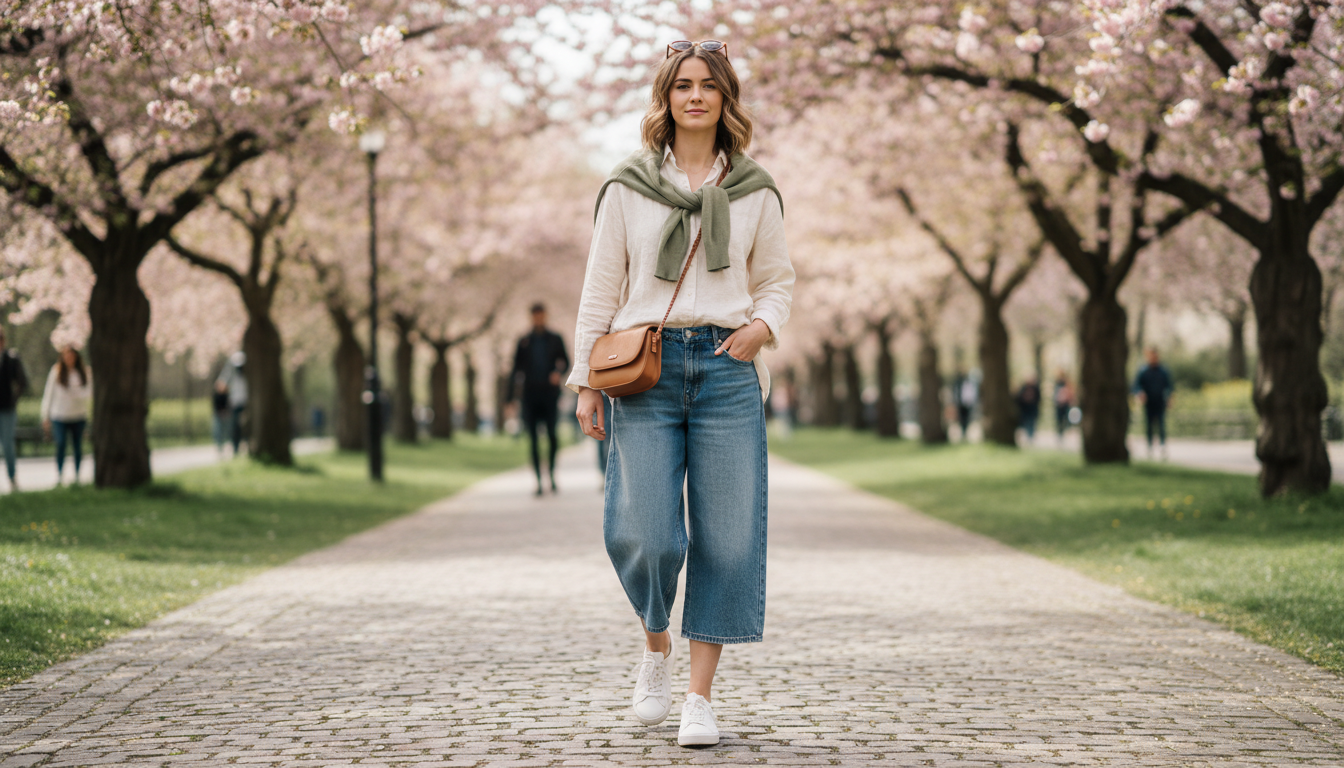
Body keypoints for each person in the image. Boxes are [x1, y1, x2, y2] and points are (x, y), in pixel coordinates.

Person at [569, 39, 794, 748]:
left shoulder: (755, 189)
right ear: (665, 99)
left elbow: (778, 280)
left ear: (726, 99)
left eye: (708, 85)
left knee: (728, 537)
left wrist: (761, 327)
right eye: (682, 85)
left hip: (727, 369)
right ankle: (655, 644)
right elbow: (601, 289)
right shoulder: (629, 186)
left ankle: (699, 697)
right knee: (647, 532)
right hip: (646, 372)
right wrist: (583, 381)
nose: (695, 96)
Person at [512, 303, 571, 496]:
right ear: (531, 317)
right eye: (535, 315)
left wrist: (558, 372)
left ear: (545, 315)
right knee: (533, 439)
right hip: (529, 396)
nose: (538, 318)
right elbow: (515, 370)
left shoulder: (555, 339)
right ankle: (538, 480)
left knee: (553, 436)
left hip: (550, 395)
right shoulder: (523, 341)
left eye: (541, 315)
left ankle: (552, 476)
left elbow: (566, 361)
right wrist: (510, 398)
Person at [40, 346, 92, 485]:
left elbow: (89, 392)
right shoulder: (56, 371)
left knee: (77, 446)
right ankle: (59, 473)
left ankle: (77, 476)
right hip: (59, 415)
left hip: (78, 415)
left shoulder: (84, 372)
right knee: (61, 443)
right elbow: (48, 394)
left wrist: (77, 394)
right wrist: (45, 415)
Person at [0, 329, 29, 492]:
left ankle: (12, 478)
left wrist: (14, 398)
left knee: (7, 445)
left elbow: (22, 381)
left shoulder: (12, 359)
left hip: (7, 409)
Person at [1133, 347, 1175, 459]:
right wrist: (1140, 393)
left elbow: (1169, 386)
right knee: (1149, 425)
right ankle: (1150, 446)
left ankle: (1162, 446)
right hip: (1148, 402)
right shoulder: (1143, 371)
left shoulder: (1163, 371)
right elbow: (1136, 386)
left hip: (1160, 401)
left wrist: (1170, 399)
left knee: (1161, 424)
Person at [215, 352, 248, 456]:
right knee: (234, 427)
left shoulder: (247, 377)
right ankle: (235, 448)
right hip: (234, 404)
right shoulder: (230, 376)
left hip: (245, 404)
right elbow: (220, 387)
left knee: (245, 426)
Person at [952, 369, 978, 442]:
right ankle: (963, 432)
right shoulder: (958, 383)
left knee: (967, 418)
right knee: (961, 418)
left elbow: (971, 393)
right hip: (961, 404)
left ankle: (965, 431)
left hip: (968, 404)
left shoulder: (970, 383)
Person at [1015, 374, 1041, 442]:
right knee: (1024, 424)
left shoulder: (1035, 388)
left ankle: (1030, 438)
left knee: (1031, 423)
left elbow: (1038, 398)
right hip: (1024, 410)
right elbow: (1019, 398)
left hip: (1032, 409)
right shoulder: (1023, 388)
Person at [1053, 370, 1075, 445]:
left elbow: (1070, 394)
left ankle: (1063, 433)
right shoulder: (1057, 384)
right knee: (1059, 420)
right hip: (1059, 405)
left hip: (1065, 405)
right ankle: (1060, 434)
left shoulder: (1067, 384)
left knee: (1065, 420)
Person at [211, 381, 230, 456]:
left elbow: (227, 406)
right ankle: (219, 446)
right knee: (218, 431)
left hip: (224, 416)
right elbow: (215, 407)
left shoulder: (225, 396)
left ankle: (224, 445)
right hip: (218, 416)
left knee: (224, 431)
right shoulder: (216, 396)